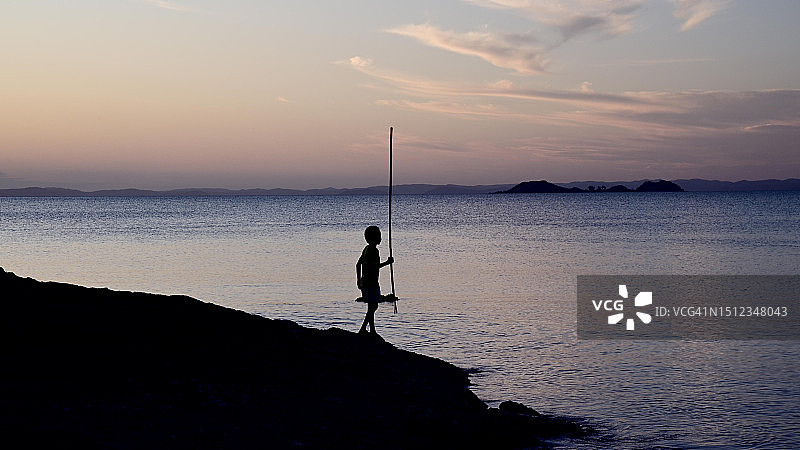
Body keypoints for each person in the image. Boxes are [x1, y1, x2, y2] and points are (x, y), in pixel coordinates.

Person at [356, 225, 394, 335]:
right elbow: (374, 266)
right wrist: (388, 263)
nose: (381, 238)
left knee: (371, 306)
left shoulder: (366, 249)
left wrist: (358, 280)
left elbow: (358, 264)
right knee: (373, 306)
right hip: (371, 282)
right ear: (375, 238)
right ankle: (363, 329)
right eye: (379, 236)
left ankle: (372, 330)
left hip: (365, 282)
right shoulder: (374, 251)